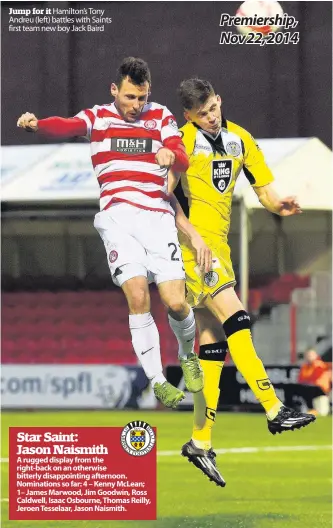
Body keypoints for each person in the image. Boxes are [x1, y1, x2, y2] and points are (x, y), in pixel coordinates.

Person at [16, 58, 210, 409]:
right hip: (118, 219)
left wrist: (172, 154)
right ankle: (157, 380)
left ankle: (187, 354)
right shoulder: (98, 117)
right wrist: (37, 125)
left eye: (142, 97)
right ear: (114, 90)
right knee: (138, 296)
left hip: (157, 217)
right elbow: (66, 126)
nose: (137, 105)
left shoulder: (161, 116)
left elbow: (181, 158)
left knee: (177, 301)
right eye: (131, 97)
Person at [170, 78, 316, 486]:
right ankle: (273, 408)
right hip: (193, 250)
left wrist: (279, 204)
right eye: (202, 114)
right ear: (189, 117)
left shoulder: (241, 139)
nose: (212, 116)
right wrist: (190, 237)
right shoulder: (180, 143)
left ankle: (200, 441)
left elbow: (264, 190)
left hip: (219, 247)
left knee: (214, 346)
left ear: (219, 100)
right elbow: (164, 198)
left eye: (214, 107)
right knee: (238, 318)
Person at [298, 348, 332, 416]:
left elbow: (316, 379)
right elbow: (301, 380)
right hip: (308, 394)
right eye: (308, 355)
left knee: (322, 414)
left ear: (316, 355)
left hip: (321, 394)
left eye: (311, 355)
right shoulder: (304, 367)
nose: (309, 357)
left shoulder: (319, 365)